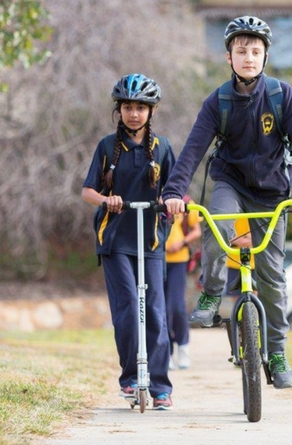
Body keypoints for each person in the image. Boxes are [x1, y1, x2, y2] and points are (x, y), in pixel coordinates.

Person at [162, 16, 292, 389]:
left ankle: (279, 354)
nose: (248, 57)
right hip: (231, 183)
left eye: (255, 51)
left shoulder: (282, 96)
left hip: (272, 193)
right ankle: (211, 293)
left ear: (265, 55)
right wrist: (173, 192)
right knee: (217, 219)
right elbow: (192, 151)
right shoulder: (217, 101)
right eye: (241, 51)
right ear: (229, 57)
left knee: (272, 278)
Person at [81, 73, 176, 410]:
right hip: (116, 239)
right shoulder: (108, 147)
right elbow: (88, 190)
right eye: (127, 107)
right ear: (118, 110)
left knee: (155, 312)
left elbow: (174, 188)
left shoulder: (162, 147)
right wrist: (106, 200)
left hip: (151, 239)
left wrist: (175, 200)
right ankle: (131, 378)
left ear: (150, 111)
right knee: (126, 310)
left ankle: (161, 385)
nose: (134, 113)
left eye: (140, 107)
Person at [164, 195, 201, 370]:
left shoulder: (186, 201)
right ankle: (167, 351)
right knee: (160, 308)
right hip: (155, 259)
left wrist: (182, 243)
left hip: (178, 260)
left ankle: (183, 346)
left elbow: (196, 230)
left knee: (176, 306)